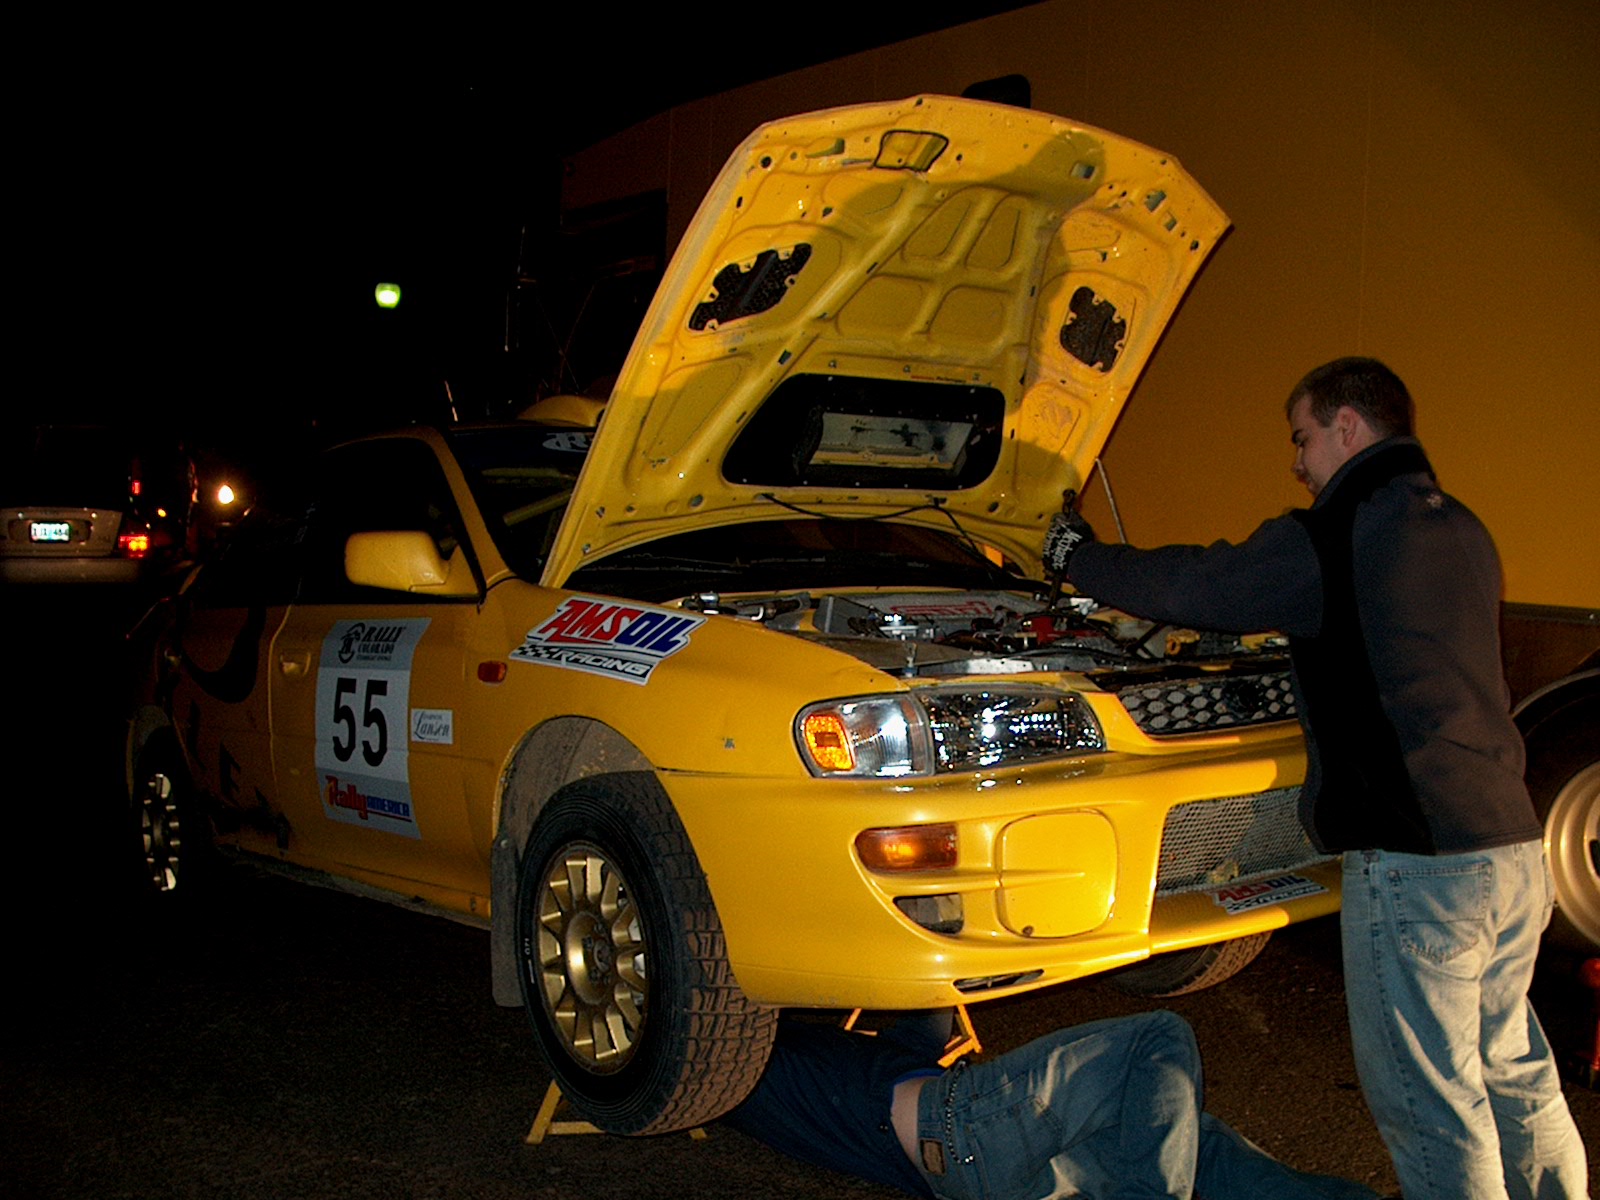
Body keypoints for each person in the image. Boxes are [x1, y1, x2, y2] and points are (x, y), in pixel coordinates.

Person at [1042, 357, 1588, 1200]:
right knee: (1513, 1071)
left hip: (1421, 865)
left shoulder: (1341, 533)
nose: (1297, 463)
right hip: (1513, 850)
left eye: (1302, 439)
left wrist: (1079, 556)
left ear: (1348, 425)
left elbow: (1199, 583)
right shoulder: (1461, 528)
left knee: (1433, 1105)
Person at [724, 1007, 1379, 1199]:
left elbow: (920, 1022)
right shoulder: (732, 1064)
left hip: (985, 1171)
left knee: (1181, 1133)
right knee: (1158, 1039)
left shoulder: (833, 1057)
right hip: (958, 1125)